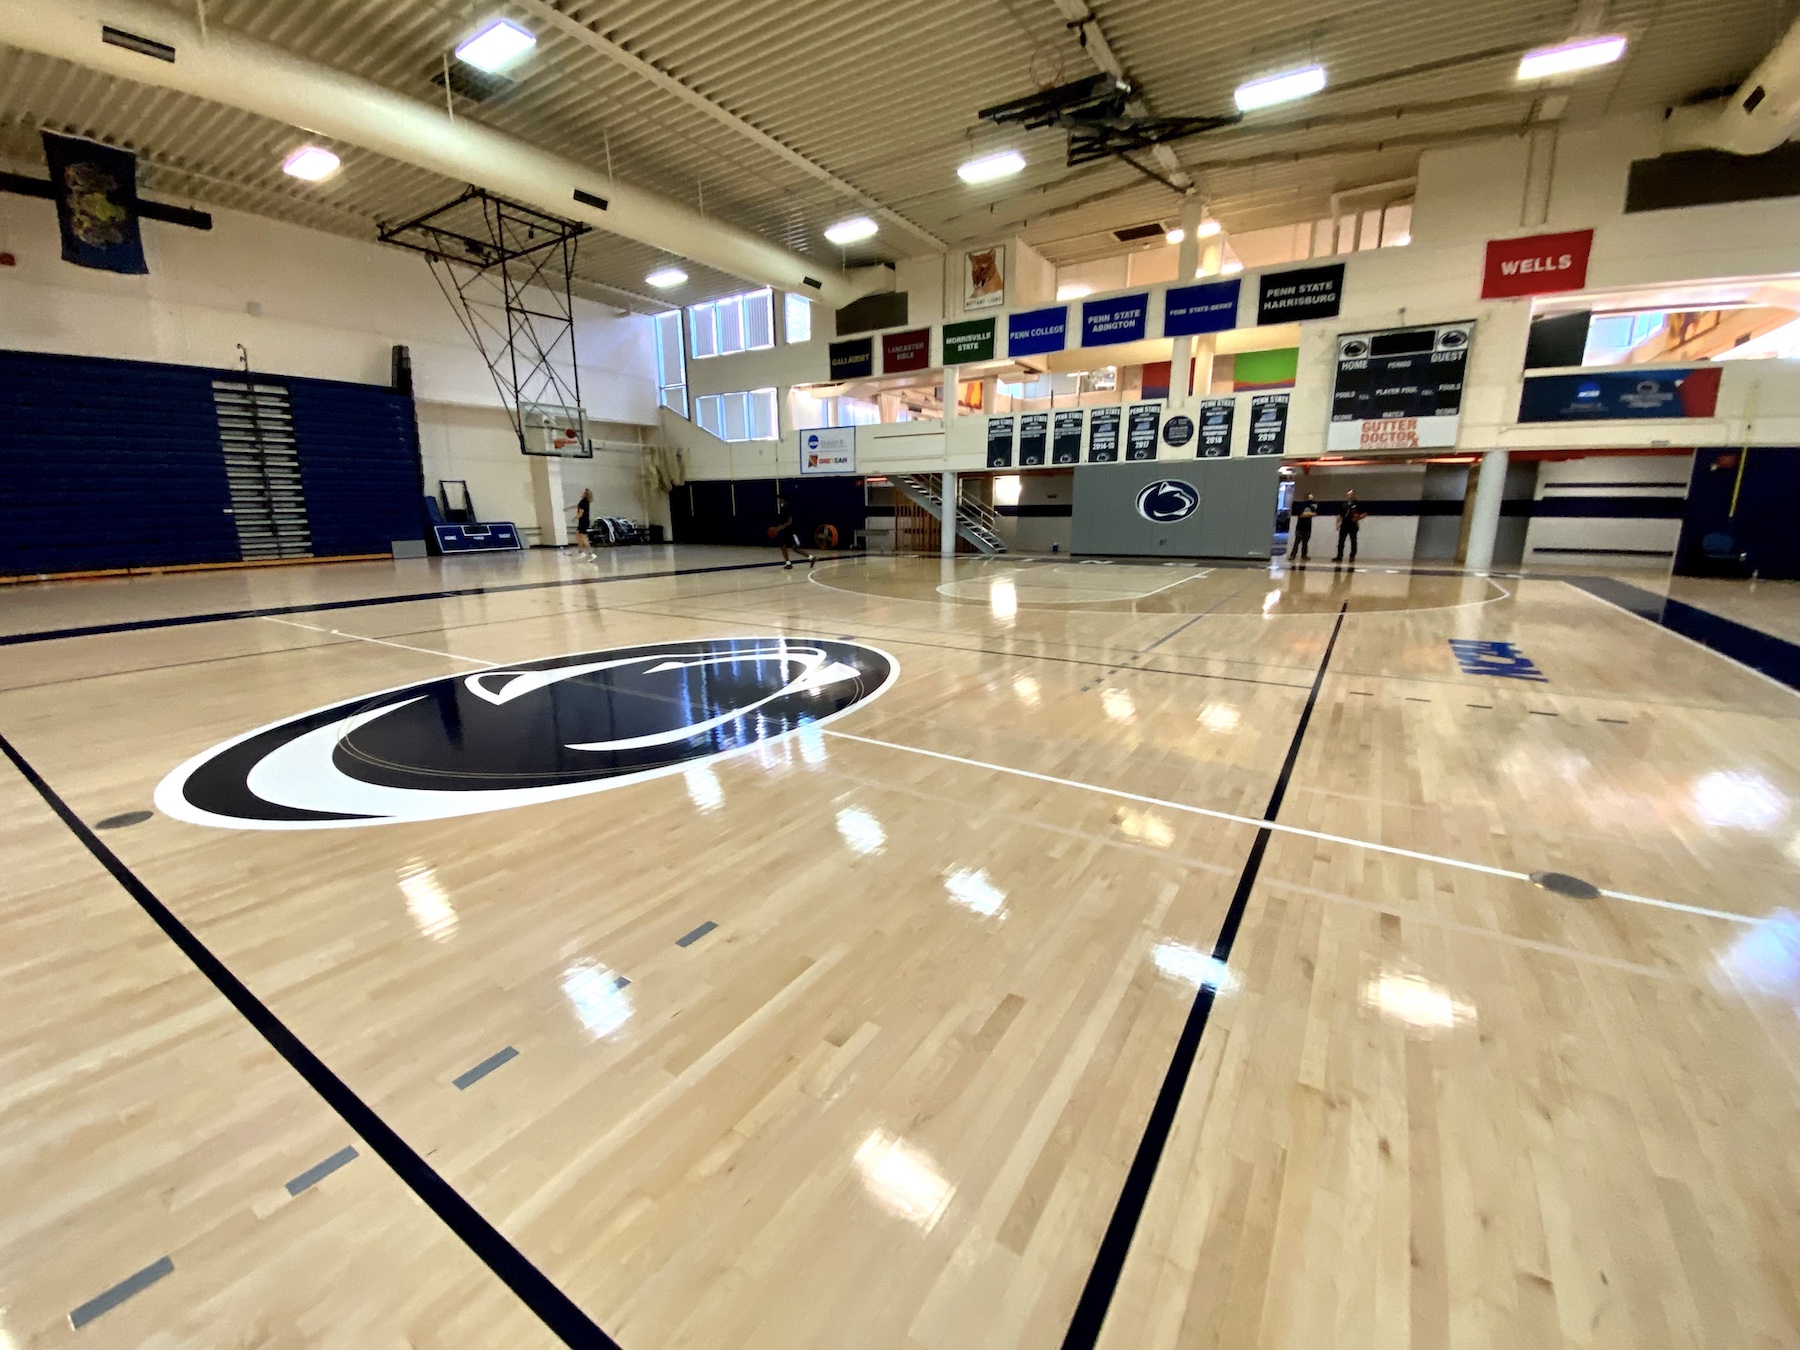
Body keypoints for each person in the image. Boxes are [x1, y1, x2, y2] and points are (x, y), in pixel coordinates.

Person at [769, 496, 814, 569]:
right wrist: (777, 528)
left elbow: (790, 521)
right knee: (783, 546)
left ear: (783, 499)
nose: (778, 501)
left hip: (792, 531)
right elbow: (783, 521)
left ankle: (811, 558)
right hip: (787, 531)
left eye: (779, 499)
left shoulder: (788, 508)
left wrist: (781, 528)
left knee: (795, 548)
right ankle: (788, 563)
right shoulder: (782, 509)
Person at [1334, 488, 1365, 565]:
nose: (1349, 495)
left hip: (1353, 524)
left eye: (1351, 494)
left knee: (1353, 541)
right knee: (1341, 541)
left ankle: (1352, 556)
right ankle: (1339, 556)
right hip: (1344, 524)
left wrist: (1358, 518)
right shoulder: (1344, 504)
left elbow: (1364, 513)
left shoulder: (1358, 504)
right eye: (1348, 494)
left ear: (1354, 494)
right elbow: (1340, 515)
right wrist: (1338, 524)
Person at [568, 488, 594, 560]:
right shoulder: (585, 502)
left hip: (583, 522)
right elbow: (578, 506)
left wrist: (574, 518)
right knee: (578, 536)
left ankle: (592, 554)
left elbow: (580, 513)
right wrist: (569, 508)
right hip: (584, 521)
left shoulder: (583, 502)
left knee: (583, 538)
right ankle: (581, 552)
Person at [1292, 493, 1317, 563]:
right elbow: (1301, 515)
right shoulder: (1301, 505)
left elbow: (1314, 514)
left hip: (1308, 527)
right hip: (1300, 527)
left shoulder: (1312, 506)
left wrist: (1307, 514)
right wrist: (1309, 514)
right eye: (1310, 498)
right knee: (1297, 542)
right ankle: (1293, 555)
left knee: (1305, 543)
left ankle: (1304, 555)